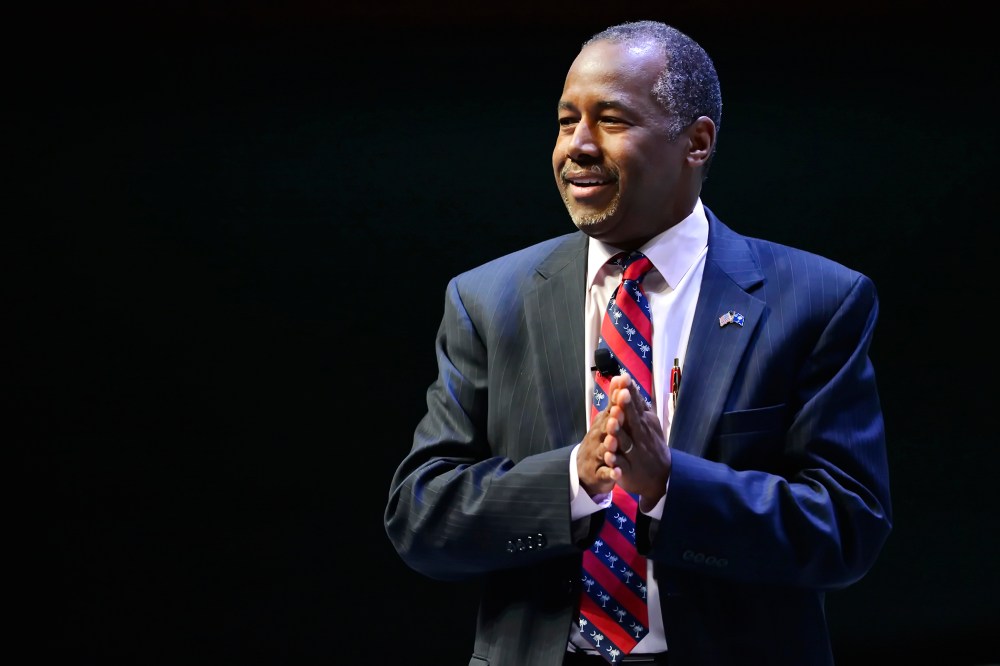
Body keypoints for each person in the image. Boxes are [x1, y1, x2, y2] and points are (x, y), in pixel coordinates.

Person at [384, 19, 891, 666]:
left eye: (613, 120)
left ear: (697, 142)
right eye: (567, 121)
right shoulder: (489, 300)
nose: (578, 146)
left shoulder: (815, 301)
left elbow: (847, 531)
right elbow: (421, 518)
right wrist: (574, 480)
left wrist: (671, 487)